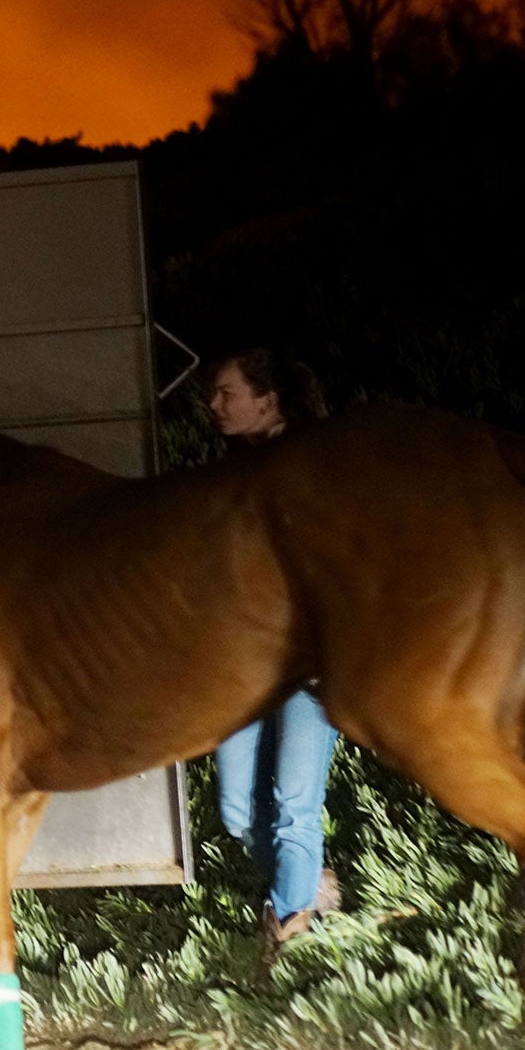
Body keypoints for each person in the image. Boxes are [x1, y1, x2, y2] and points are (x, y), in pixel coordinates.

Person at [207, 348, 343, 950]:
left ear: (268, 400)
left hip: (309, 665)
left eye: (226, 392)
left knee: (294, 808)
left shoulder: (318, 465)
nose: (215, 405)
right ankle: (309, 882)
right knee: (238, 812)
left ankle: (286, 933)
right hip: (245, 666)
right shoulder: (230, 472)